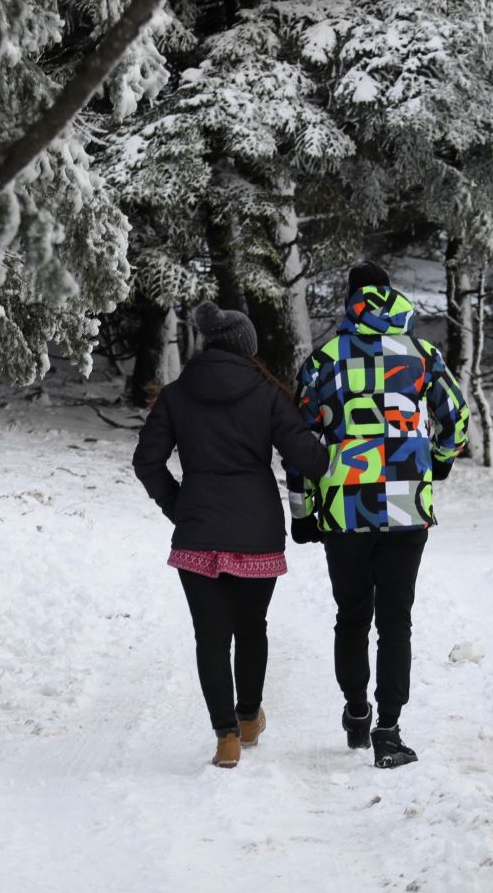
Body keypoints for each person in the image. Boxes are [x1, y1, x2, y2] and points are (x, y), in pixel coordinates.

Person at [287, 261, 471, 769]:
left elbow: (298, 439)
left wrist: (301, 510)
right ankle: (389, 730)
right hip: (408, 506)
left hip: (344, 508)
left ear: (351, 300)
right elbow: (457, 416)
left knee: (351, 616)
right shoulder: (422, 354)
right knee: (396, 621)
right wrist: (437, 463)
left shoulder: (324, 359)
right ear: (392, 297)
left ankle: (355, 712)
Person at [133, 301, 329, 769]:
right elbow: (313, 462)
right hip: (257, 531)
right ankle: (247, 717)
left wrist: (178, 505)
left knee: (211, 638)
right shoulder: (266, 394)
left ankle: (225, 738)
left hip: (198, 531)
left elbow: (146, 462)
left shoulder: (177, 395)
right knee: (252, 628)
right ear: (247, 347)